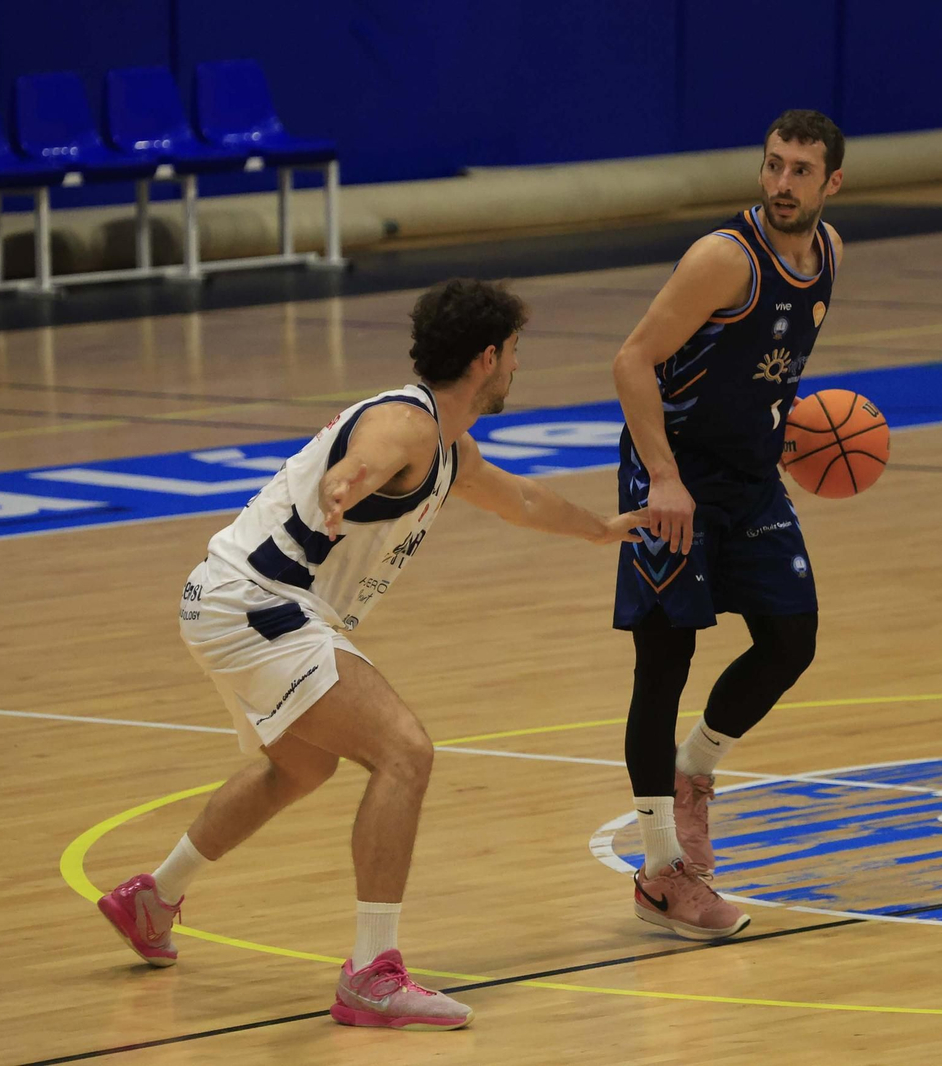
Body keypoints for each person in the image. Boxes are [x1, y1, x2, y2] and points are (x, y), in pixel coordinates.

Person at [97, 278, 646, 1030]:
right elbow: (365, 459)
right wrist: (343, 486)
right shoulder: (406, 424)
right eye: (515, 351)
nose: (518, 365)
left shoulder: (448, 446)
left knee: (301, 766)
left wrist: (601, 530)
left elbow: (519, 499)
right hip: (257, 604)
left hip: (235, 602)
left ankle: (154, 899)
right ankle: (371, 973)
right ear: (487, 358)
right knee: (404, 752)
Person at [611, 110, 845, 939]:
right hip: (671, 477)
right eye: (773, 165)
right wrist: (664, 477)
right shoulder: (724, 259)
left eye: (800, 170)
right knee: (664, 664)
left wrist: (782, 433)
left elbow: (764, 368)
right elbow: (631, 361)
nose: (782, 183)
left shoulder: (830, 253)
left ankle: (695, 770)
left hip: (748, 479)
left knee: (791, 640)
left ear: (831, 183)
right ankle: (660, 873)